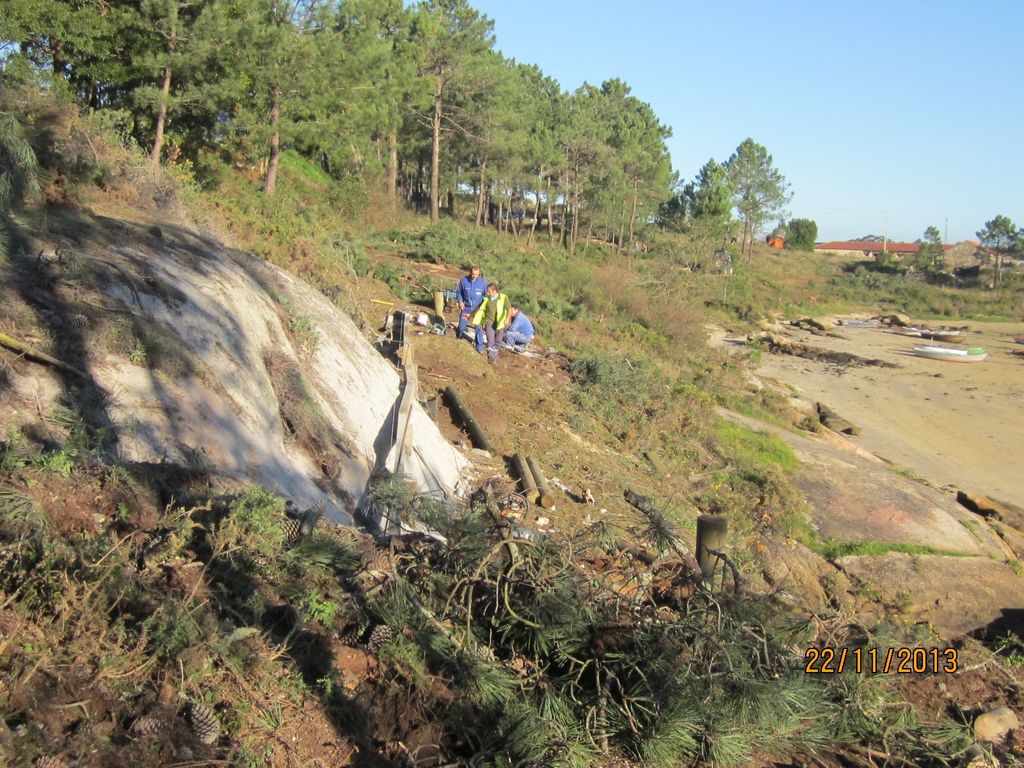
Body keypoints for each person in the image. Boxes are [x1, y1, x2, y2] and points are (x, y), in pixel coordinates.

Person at [471, 282, 510, 362]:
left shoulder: (503, 298)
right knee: (490, 339)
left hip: (500, 323)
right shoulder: (486, 298)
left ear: (495, 291)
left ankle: (495, 355)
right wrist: (470, 315)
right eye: (487, 291)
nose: (488, 293)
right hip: (489, 321)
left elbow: (509, 309)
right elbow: (479, 307)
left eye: (489, 291)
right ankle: (490, 357)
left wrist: (507, 318)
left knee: (498, 341)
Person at [456, 265, 487, 350]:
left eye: (476, 275)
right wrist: (460, 301)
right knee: (461, 327)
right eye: (473, 274)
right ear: (470, 273)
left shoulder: (483, 283)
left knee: (478, 328)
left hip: (478, 309)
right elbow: (458, 292)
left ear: (479, 274)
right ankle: (458, 341)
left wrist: (484, 308)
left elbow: (486, 296)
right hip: (466, 308)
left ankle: (479, 347)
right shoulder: (464, 281)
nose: (474, 276)